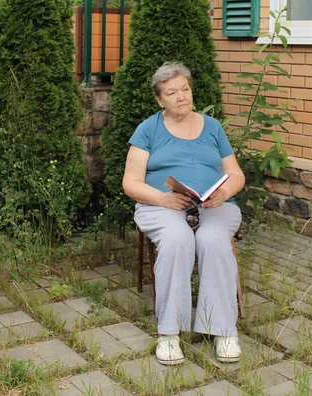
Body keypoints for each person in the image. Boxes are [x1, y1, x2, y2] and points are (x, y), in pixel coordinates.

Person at [122, 61, 245, 365]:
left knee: (213, 240)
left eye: (185, 89)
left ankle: (223, 330)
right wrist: (163, 199)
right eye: (172, 92)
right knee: (178, 240)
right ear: (159, 99)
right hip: (162, 206)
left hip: (213, 205)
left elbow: (237, 175)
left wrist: (223, 193)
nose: (181, 97)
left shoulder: (213, 128)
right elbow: (130, 182)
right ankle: (169, 334)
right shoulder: (148, 130)